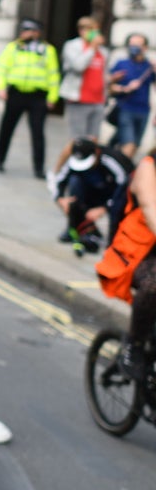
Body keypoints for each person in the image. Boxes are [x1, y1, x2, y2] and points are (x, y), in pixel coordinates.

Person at [0, 19, 60, 179]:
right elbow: (2, 68)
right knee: (6, 128)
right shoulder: (14, 47)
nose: (25, 33)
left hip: (38, 96)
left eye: (29, 30)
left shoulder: (47, 50)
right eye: (24, 30)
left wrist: (52, 97)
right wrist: (1, 88)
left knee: (38, 133)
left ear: (37, 32)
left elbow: (54, 74)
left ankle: (38, 168)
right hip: (16, 93)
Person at [113, 153, 156, 381]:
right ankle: (134, 344)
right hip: (138, 253)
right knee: (153, 285)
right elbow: (150, 207)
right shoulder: (149, 166)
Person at [49, 138, 131, 256]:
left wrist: (104, 208)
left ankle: (114, 242)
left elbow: (124, 190)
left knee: (118, 210)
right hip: (91, 190)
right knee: (75, 183)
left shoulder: (113, 161)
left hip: (112, 194)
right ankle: (77, 229)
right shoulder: (74, 160)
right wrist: (60, 199)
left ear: (96, 153)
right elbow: (59, 181)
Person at [58, 17, 108, 142]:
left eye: (97, 30)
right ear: (82, 30)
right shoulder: (72, 46)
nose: (95, 34)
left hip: (98, 100)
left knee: (93, 140)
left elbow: (103, 73)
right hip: (79, 99)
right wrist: (92, 48)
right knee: (77, 140)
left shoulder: (103, 51)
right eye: (91, 30)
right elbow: (78, 66)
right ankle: (64, 162)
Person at [108, 33, 155, 160]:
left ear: (145, 47)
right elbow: (109, 88)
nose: (133, 47)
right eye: (131, 45)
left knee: (134, 147)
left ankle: (119, 167)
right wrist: (124, 88)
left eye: (137, 45)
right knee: (129, 145)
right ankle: (121, 174)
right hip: (125, 109)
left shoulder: (149, 67)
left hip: (143, 111)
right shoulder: (121, 64)